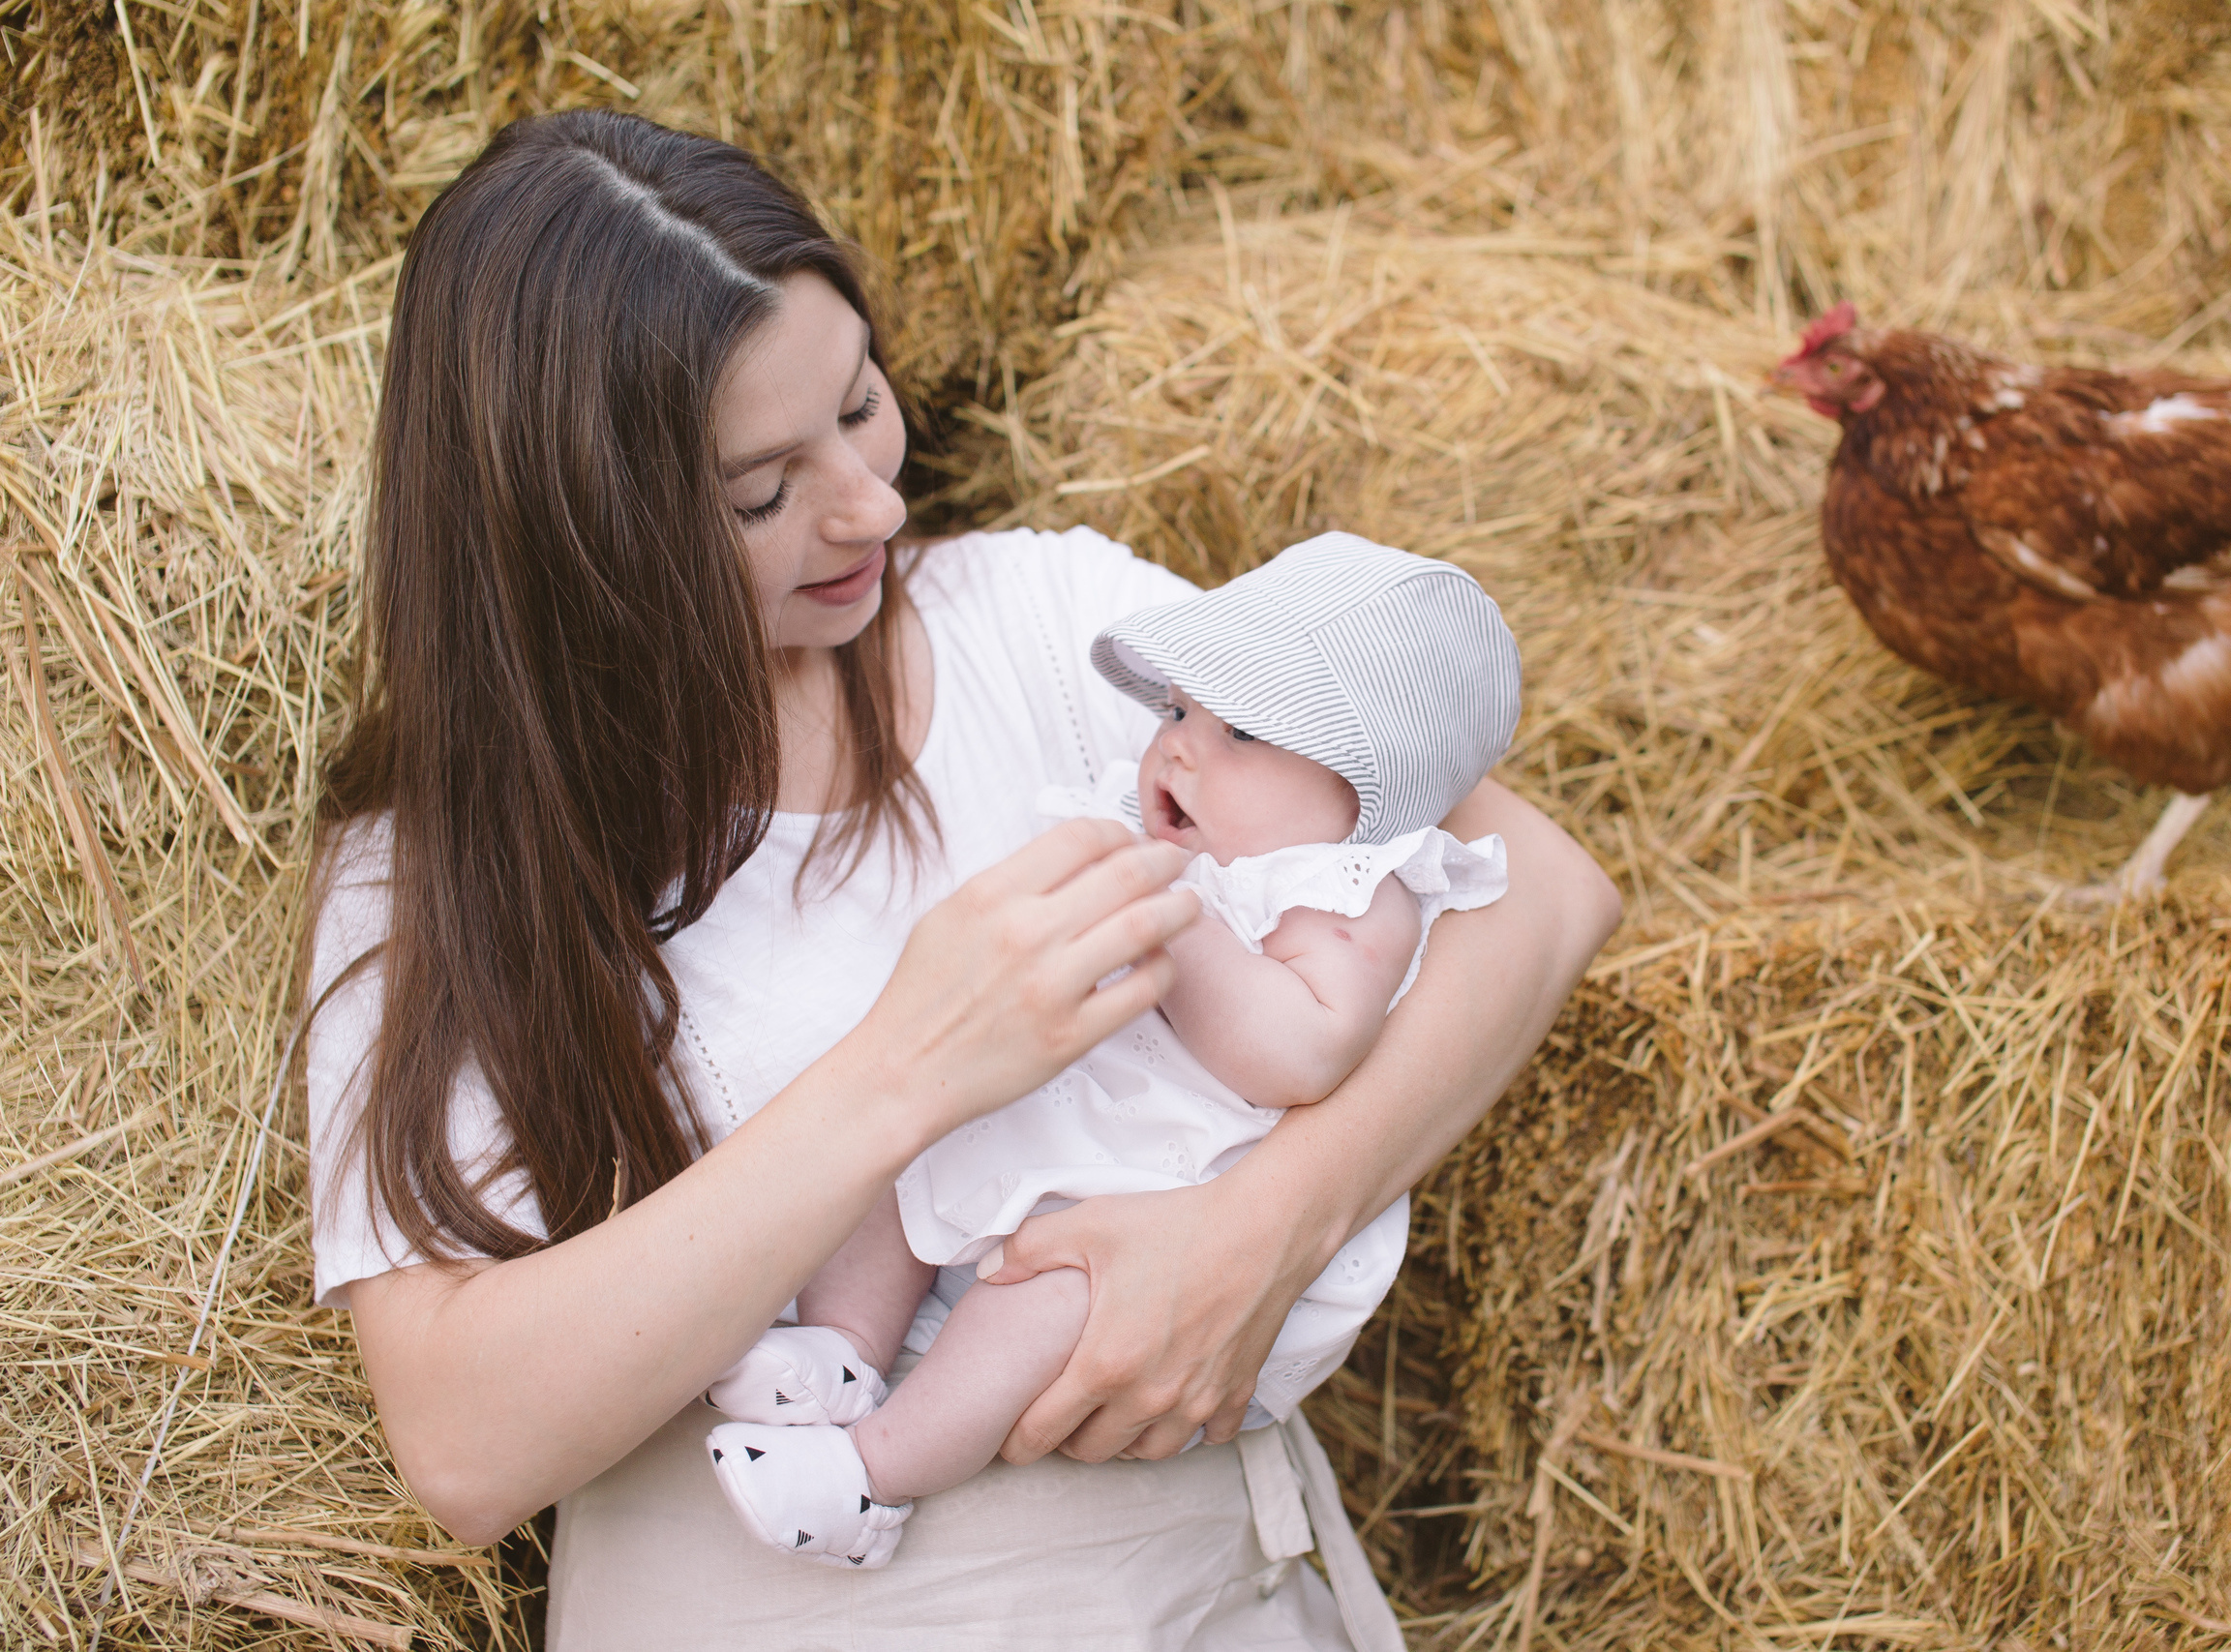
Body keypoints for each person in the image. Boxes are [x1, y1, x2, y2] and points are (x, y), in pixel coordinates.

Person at [304, 108, 1619, 1650]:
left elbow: (1532, 877)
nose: (868, 505)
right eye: (759, 492)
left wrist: (1266, 1228)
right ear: (580, 530)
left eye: (860, 403)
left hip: (1198, 1601)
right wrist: (907, 1070)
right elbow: (463, 1445)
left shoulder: (1056, 627)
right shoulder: (440, 867)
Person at [701, 534, 1523, 1568]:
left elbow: (1301, 1055)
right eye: (1177, 712)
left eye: (1242, 733)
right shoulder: (1174, 837)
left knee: (1039, 1308)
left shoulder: (1354, 896)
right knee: (902, 1156)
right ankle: (840, 1351)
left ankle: (869, 1475)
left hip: (1166, 1191)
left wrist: (1174, 913)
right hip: (1074, 1119)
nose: (1178, 747)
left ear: (1369, 787)